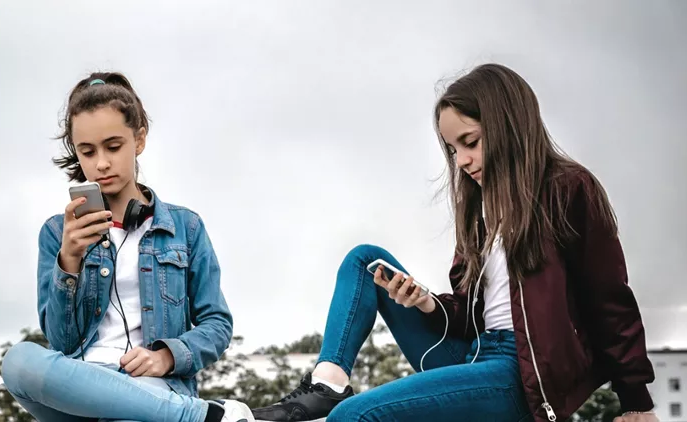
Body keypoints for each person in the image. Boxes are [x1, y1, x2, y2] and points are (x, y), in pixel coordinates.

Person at [251, 64, 658, 422]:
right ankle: (327, 384)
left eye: (471, 141)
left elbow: (610, 302)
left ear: (509, 127)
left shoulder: (567, 189)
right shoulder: (480, 209)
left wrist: (635, 401)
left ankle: (338, 404)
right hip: (471, 355)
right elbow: (469, 316)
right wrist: (426, 303)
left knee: (356, 417)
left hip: (519, 375)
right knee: (365, 263)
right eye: (452, 149)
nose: (461, 160)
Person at [1, 72, 255, 422]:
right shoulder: (58, 233)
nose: (101, 163)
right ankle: (205, 417)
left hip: (154, 388)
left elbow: (216, 323)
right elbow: (61, 343)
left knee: (131, 415)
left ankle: (178, 413)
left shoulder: (186, 228)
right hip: (83, 389)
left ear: (139, 140)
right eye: (87, 152)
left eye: (113, 146)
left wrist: (167, 356)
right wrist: (69, 260)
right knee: (18, 361)